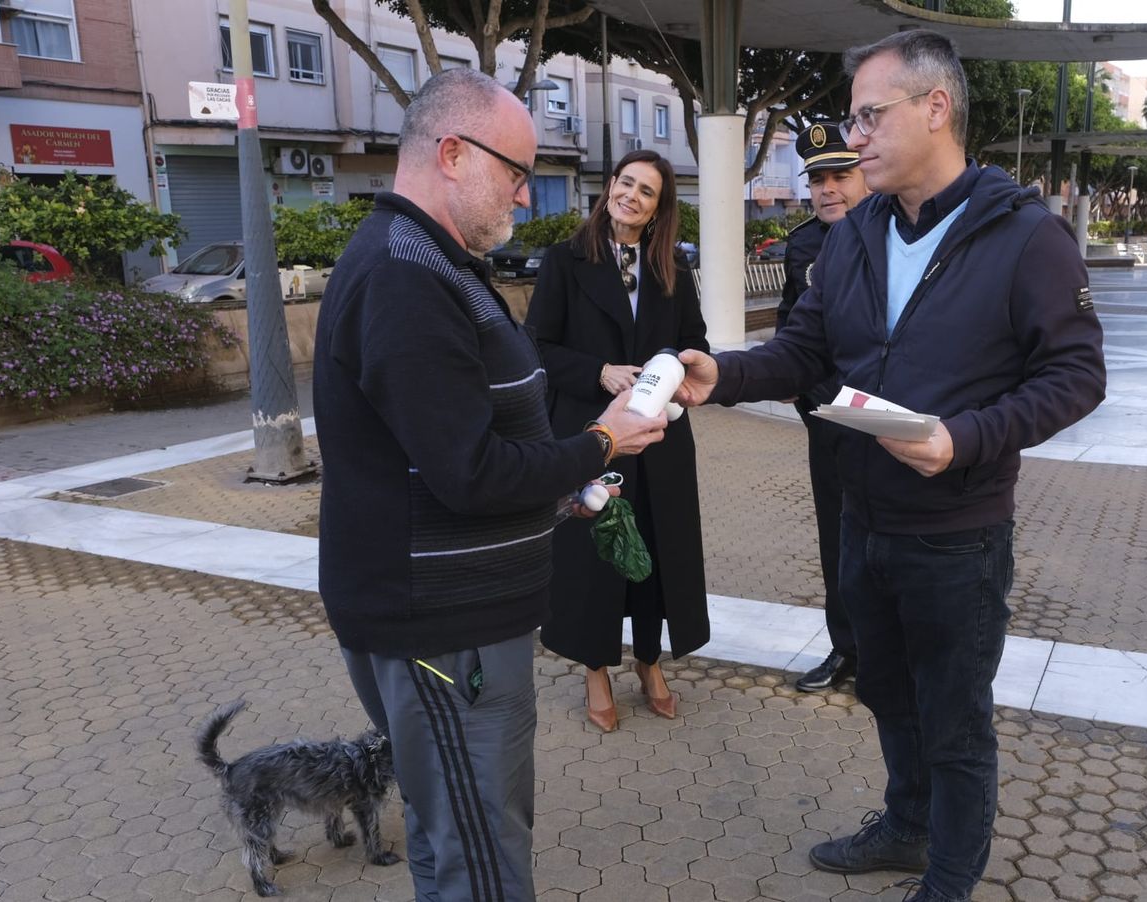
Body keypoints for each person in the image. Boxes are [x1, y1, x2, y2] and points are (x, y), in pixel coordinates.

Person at [672, 30, 1105, 902]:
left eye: (870, 116)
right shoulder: (857, 230)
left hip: (958, 534)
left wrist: (967, 437)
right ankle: (907, 826)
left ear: (935, 108)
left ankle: (951, 873)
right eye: (851, 118)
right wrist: (722, 373)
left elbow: (1077, 375)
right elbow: (804, 350)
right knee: (886, 693)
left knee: (954, 719)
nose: (853, 137)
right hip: (862, 518)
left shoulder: (1025, 236)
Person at [313, 68, 666, 902]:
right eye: (513, 169)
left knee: (456, 841)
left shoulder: (438, 260)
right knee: (481, 858)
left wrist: (561, 487)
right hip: (445, 631)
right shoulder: (406, 275)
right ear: (449, 153)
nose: (521, 188)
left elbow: (455, 447)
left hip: (459, 621)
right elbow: (468, 473)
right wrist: (601, 441)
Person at [527, 150, 711, 733]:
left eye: (647, 191)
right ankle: (596, 668)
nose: (632, 195)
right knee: (593, 557)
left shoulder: (672, 269)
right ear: (609, 188)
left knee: (656, 553)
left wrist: (679, 375)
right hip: (592, 434)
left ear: (660, 208)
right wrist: (599, 372)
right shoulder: (565, 260)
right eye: (625, 183)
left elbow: (694, 340)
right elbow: (538, 347)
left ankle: (650, 662)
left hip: (659, 437)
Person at [777, 121, 873, 693]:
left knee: (884, 533)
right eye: (818, 179)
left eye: (841, 175)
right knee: (835, 536)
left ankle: (889, 654)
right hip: (826, 411)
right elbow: (793, 316)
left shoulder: (893, 233)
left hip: (883, 412)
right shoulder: (805, 242)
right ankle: (846, 650)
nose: (828, 189)